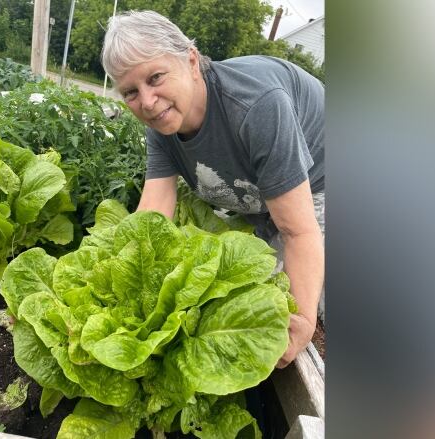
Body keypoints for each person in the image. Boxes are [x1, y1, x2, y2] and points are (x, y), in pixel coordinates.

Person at [102, 10, 324, 367]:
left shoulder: (256, 105)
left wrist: (303, 322)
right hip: (259, 191)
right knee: (247, 285)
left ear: (190, 61)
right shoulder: (162, 126)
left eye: (155, 77)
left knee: (306, 304)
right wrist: (119, 276)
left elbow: (298, 229)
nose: (146, 101)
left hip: (324, 177)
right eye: (130, 92)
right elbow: (153, 212)